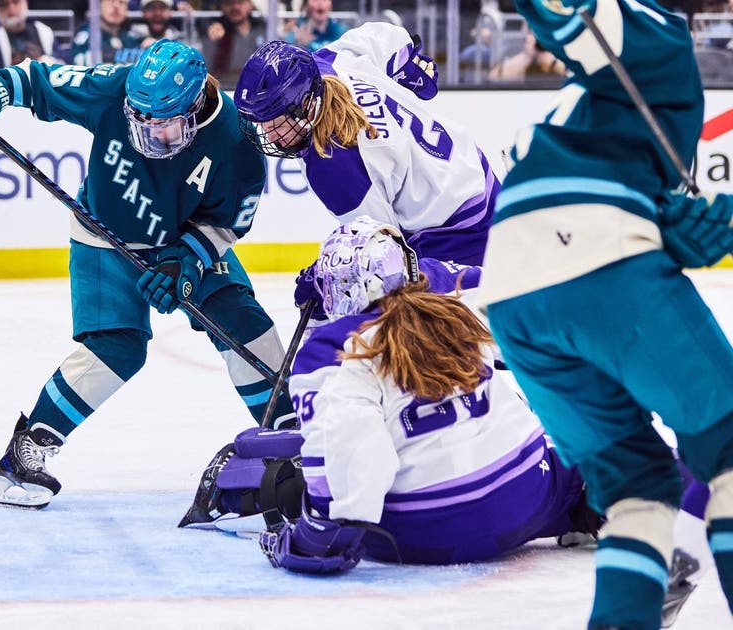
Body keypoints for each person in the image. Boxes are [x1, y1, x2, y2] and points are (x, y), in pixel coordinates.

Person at [0, 40, 297, 509]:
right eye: (140, 121)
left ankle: (290, 441)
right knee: (115, 348)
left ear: (195, 106)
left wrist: (187, 261)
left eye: (163, 124)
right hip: (104, 234)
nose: (149, 135)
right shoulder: (115, 89)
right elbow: (40, 81)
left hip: (183, 241)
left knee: (242, 322)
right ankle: (24, 455)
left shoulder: (237, 141)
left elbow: (227, 222)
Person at [477, 0, 733, 627]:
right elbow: (574, 17)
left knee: (637, 487)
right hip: (599, 263)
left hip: (511, 297)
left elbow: (585, 197)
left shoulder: (579, 107)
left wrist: (665, 227)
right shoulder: (664, 38)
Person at [245, 217, 600, 572]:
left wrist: (316, 539)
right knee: (570, 443)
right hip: (528, 500)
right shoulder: (455, 304)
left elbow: (353, 449)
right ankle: (605, 500)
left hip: (418, 534)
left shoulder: (330, 350)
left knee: (305, 483)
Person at [233, 27, 498, 267]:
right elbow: (387, 36)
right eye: (261, 122)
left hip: (456, 233)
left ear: (305, 105)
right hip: (476, 174)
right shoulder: (326, 64)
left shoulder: (333, 165)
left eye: (275, 121)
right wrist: (406, 64)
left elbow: (385, 254)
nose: (268, 134)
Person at [201, 0, 267, 86]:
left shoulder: (263, 30)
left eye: (240, 2)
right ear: (222, 7)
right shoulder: (216, 31)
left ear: (250, 5)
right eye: (229, 3)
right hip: (226, 87)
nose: (235, 7)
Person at [0, 0, 60, 67]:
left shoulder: (43, 31)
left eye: (16, 2)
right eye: (4, 4)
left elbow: (60, 58)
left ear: (26, 3)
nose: (11, 8)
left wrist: (45, 60)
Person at [71, 0, 144, 65]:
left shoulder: (131, 37)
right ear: (99, 5)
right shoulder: (87, 35)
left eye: (121, 2)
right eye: (111, 1)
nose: (116, 6)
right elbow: (78, 61)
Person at [488, 31, 566, 85]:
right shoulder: (522, 59)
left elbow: (566, 74)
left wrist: (552, 59)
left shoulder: (556, 59)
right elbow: (493, 77)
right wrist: (526, 56)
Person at [282, 0, 347, 52]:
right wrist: (298, 45)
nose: (320, 3)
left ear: (330, 5)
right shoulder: (297, 31)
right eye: (315, 0)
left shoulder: (340, 31)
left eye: (325, 0)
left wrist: (309, 45)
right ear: (307, 4)